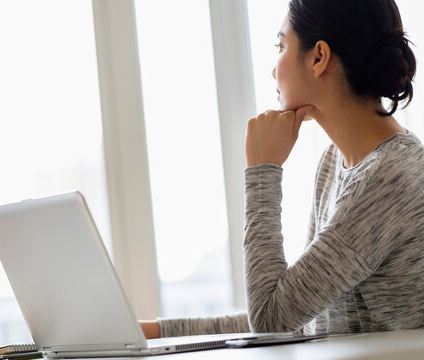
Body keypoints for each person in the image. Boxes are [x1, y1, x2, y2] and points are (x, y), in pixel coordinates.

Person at [140, 0, 424, 338]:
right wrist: (153, 332)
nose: (273, 70)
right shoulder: (336, 161)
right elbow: (295, 312)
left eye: (280, 45)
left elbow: (272, 321)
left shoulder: (390, 177)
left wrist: (263, 171)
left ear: (319, 57)